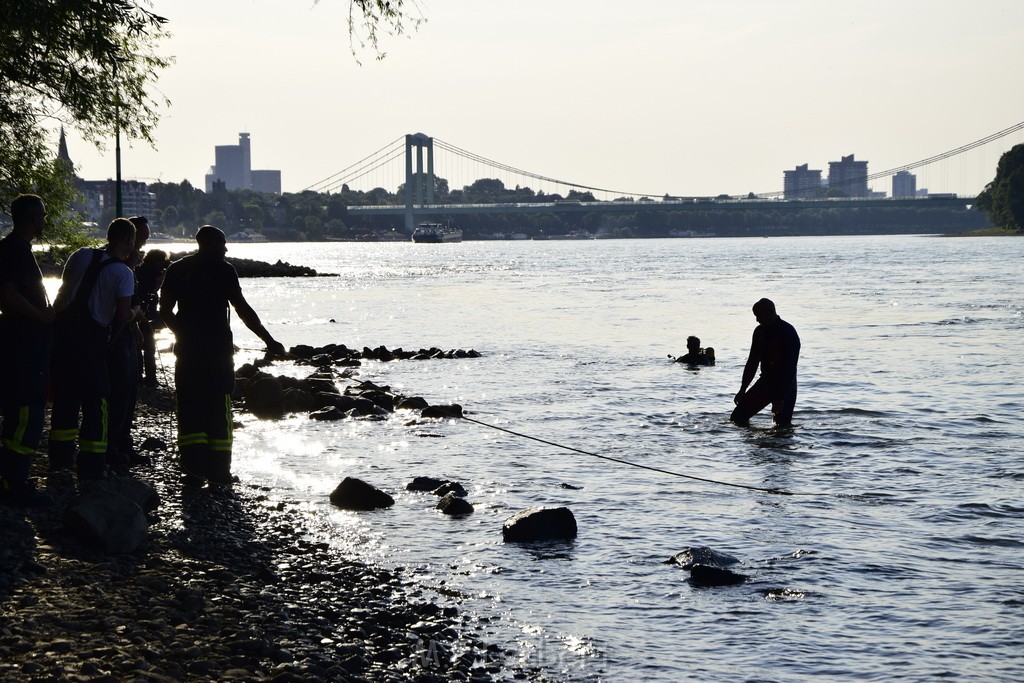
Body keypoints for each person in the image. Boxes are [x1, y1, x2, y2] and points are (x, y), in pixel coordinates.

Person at [159, 225, 285, 488]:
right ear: (213, 244)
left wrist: (181, 333)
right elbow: (243, 310)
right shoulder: (224, 270)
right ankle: (220, 472)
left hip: (188, 353)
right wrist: (269, 340)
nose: (227, 249)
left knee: (190, 407)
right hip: (217, 353)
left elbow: (165, 310)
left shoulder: (177, 269)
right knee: (218, 408)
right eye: (224, 244)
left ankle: (193, 469)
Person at [48, 218, 140, 479]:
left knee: (66, 397)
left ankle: (60, 459)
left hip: (64, 336)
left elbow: (64, 292)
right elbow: (122, 315)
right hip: (91, 340)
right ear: (130, 241)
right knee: (97, 399)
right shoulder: (123, 273)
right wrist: (136, 312)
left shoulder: (80, 255)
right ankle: (91, 463)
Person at [0, 195, 56, 505]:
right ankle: (15, 484)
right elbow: (7, 296)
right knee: (27, 414)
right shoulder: (14, 251)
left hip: (23, 345)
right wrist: (42, 316)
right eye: (43, 215)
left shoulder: (16, 249)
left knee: (20, 412)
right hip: (22, 347)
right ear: (33, 218)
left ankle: (11, 478)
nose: (45, 220)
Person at [731, 298, 800, 427]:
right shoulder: (759, 332)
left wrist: (779, 398)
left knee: (782, 427)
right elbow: (752, 362)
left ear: (770, 312)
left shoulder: (788, 332)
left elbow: (790, 368)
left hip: (786, 385)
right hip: (766, 382)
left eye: (759, 316)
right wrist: (742, 389)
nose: (757, 320)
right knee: (737, 417)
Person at [135, 247, 169, 387]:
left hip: (136, 308)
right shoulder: (157, 272)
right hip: (148, 311)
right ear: (160, 261)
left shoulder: (138, 269)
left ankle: (137, 376)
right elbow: (156, 288)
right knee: (149, 346)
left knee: (137, 345)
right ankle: (151, 378)